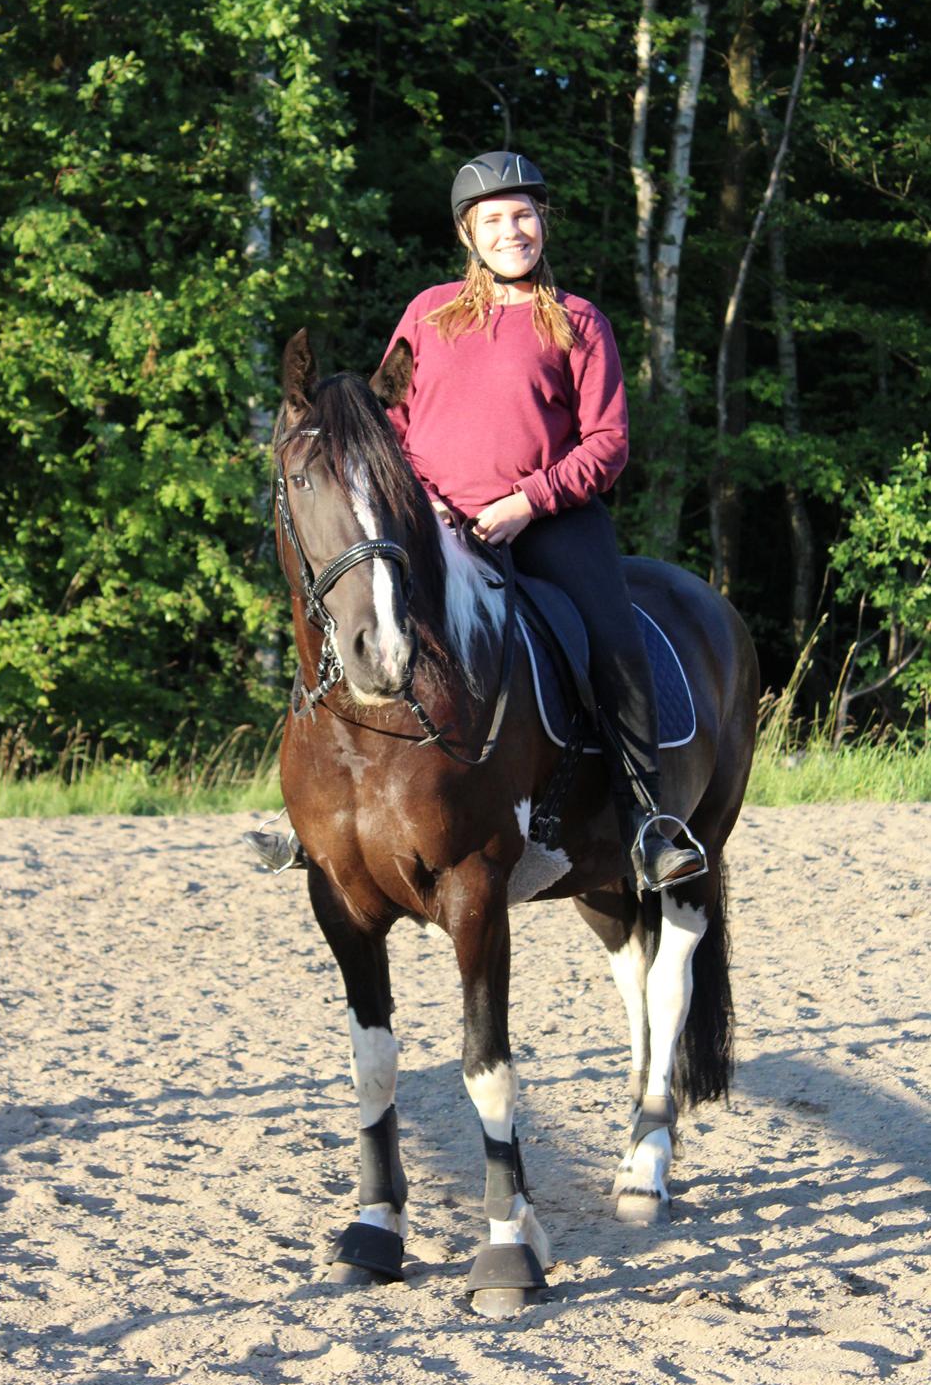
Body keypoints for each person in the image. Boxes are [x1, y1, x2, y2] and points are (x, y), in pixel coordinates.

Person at [246, 150, 704, 892]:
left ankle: (648, 823)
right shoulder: (426, 314)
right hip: (430, 520)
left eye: (522, 215)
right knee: (345, 620)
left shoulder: (580, 322)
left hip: (550, 521)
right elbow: (382, 413)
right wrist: (413, 500)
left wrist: (528, 501)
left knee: (610, 641)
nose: (510, 231)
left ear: (541, 223)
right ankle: (316, 815)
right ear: (469, 235)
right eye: (493, 219)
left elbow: (608, 442)